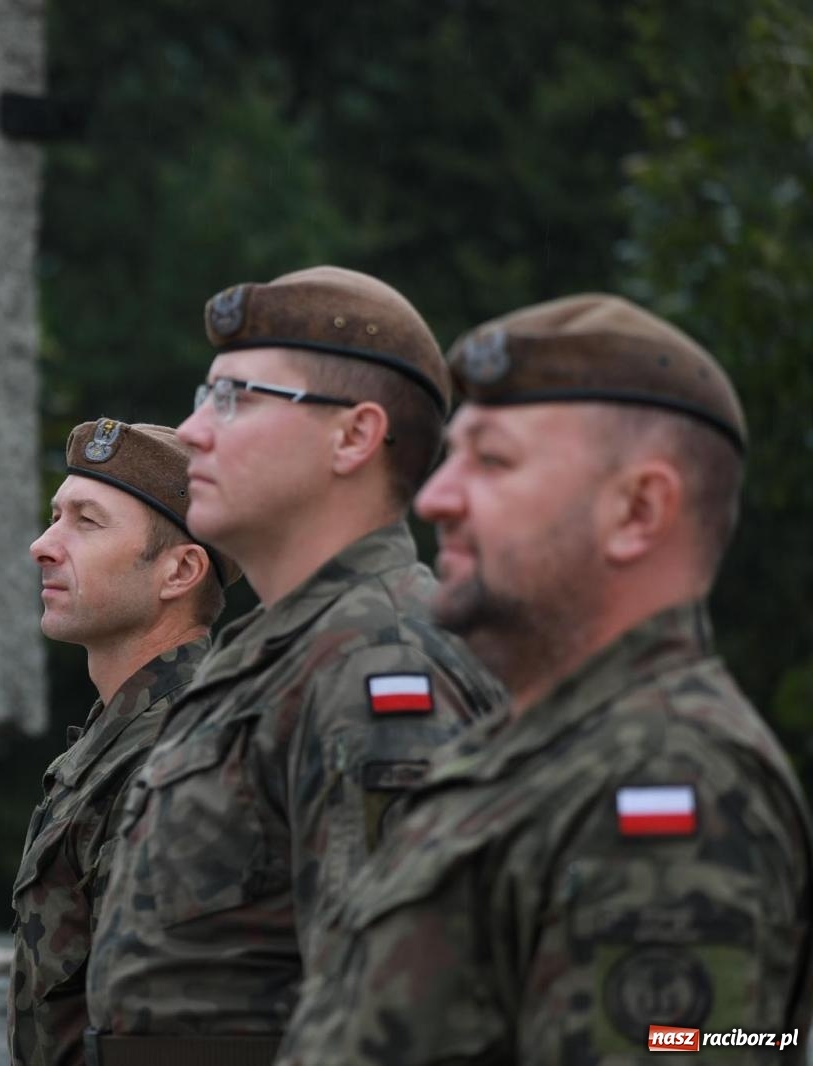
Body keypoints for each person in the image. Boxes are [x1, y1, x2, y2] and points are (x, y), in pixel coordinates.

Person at [276, 293, 813, 1064]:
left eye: (492, 461)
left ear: (637, 510)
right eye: (452, 455)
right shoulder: (519, 756)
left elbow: (676, 1040)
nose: (436, 497)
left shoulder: (667, 780)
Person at [85, 266, 504, 1064]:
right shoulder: (278, 651)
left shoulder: (380, 663)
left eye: (235, 399)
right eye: (205, 395)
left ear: (354, 436)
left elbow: (402, 1022)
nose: (194, 429)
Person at [11, 418, 242, 1066]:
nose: (43, 545)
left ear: (180, 571)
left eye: (86, 522)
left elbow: (172, 1034)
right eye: (55, 516)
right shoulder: (120, 738)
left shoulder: (185, 751)